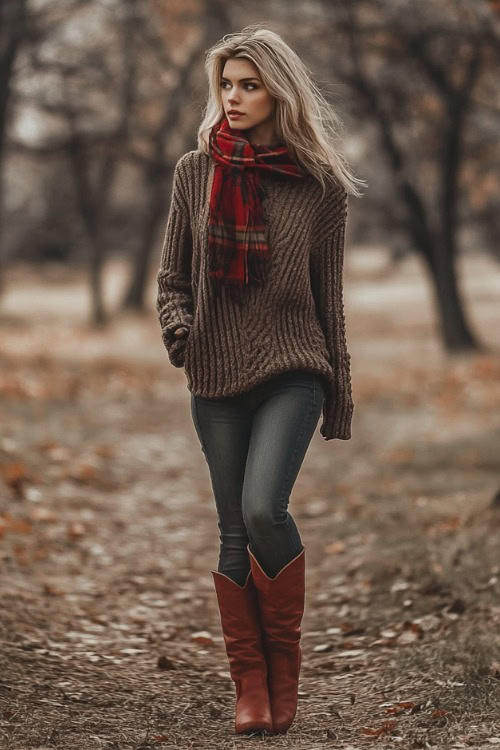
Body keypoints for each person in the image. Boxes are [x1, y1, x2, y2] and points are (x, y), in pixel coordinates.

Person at [156, 23, 365, 737]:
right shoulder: (195, 171)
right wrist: (179, 328)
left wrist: (339, 391)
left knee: (263, 509)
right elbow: (172, 277)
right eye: (226, 84)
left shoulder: (322, 188)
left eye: (249, 84)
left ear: (280, 91)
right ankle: (251, 687)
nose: (234, 97)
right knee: (233, 532)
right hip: (214, 374)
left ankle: (284, 671)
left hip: (293, 368)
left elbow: (327, 297)